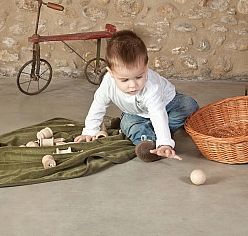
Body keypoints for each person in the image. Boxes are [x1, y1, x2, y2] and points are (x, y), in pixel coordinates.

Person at [74, 30, 199, 162]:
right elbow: (98, 105)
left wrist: (165, 143)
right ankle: (149, 145)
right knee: (129, 123)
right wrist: (89, 130)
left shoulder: (152, 87)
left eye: (139, 77)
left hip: (168, 105)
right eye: (124, 80)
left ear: (146, 67)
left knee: (188, 106)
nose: (133, 85)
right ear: (111, 73)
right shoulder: (108, 84)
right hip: (135, 113)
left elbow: (158, 113)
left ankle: (158, 136)